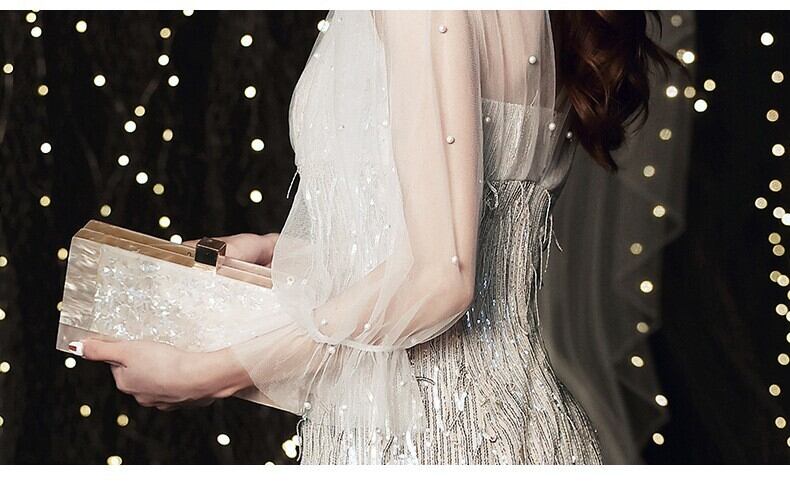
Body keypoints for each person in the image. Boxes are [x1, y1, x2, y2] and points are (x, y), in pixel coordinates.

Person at [73, 11, 674, 464]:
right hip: (503, 427)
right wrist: (278, 249)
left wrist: (210, 371)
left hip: (428, 442)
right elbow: (474, 235)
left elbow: (441, 279)